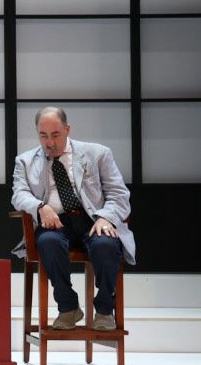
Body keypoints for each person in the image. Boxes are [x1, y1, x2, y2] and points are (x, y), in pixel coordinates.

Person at [10, 106, 135, 332]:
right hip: (55, 222)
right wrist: (40, 207)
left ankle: (105, 309)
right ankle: (67, 307)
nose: (50, 142)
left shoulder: (98, 154)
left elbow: (119, 194)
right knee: (48, 242)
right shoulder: (25, 161)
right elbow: (18, 194)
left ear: (67, 129)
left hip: (92, 220)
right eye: (43, 136)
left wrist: (106, 217)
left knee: (106, 244)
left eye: (56, 135)